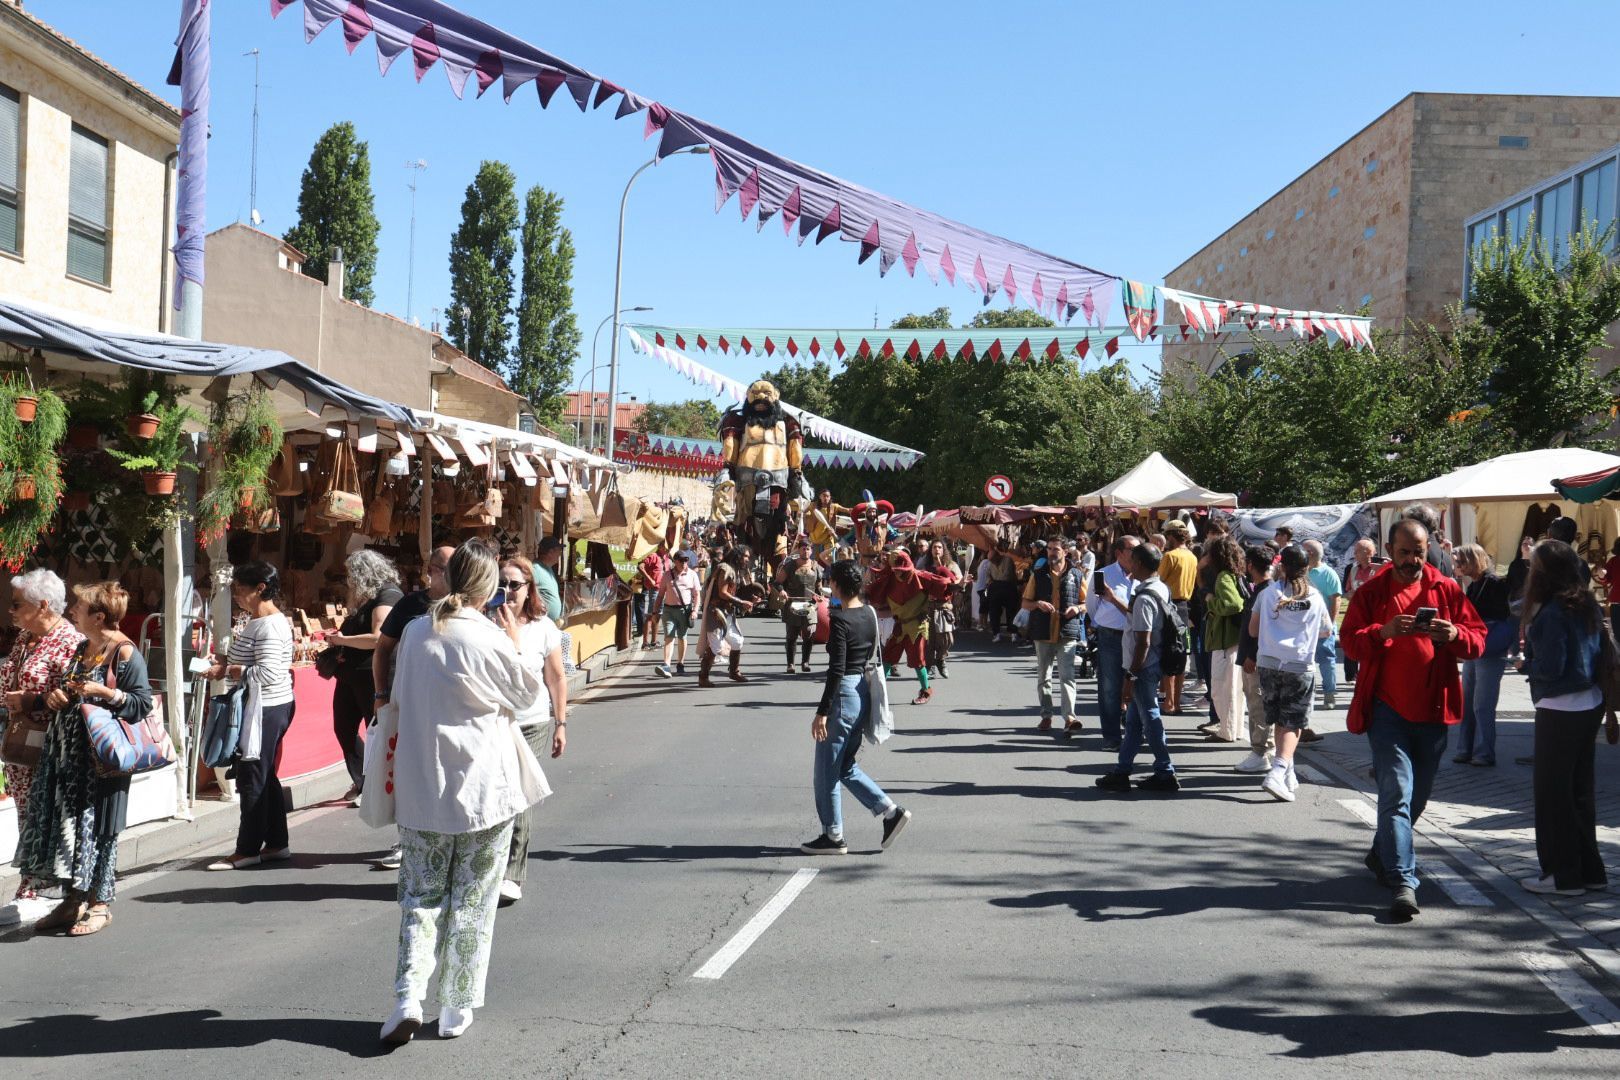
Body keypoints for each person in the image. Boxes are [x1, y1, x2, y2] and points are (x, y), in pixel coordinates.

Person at [381, 540, 547, 1044]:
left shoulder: (414, 632)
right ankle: (455, 1006)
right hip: (484, 790)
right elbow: (527, 694)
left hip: (422, 789)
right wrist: (511, 636)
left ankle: (407, 997)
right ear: (489, 588)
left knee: (419, 898)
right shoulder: (488, 637)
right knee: (473, 900)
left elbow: (398, 695)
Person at [1341, 519, 1485, 921]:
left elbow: (1479, 640)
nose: (1411, 560)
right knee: (1396, 794)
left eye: (1418, 552)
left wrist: (1454, 635)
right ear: (1391, 549)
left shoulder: (1447, 589)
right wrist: (1382, 631)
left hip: (1434, 711)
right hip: (1387, 712)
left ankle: (1379, 853)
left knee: (1416, 799)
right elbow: (1349, 642)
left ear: (1428, 550)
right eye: (1404, 552)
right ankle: (1403, 880)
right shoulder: (1372, 592)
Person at [11, 582, 152, 936]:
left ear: (98, 615)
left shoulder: (124, 652)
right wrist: (50, 699)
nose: (72, 609)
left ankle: (101, 903)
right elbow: (71, 695)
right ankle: (73, 901)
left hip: (102, 760)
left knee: (102, 830)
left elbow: (141, 705)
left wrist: (104, 692)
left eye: (79, 605)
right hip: (69, 759)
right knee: (73, 831)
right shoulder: (81, 649)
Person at [1518, 540, 1610, 897]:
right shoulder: (1585, 602)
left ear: (1545, 572)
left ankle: (1562, 875)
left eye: (1533, 567)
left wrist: (1529, 667)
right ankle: (1590, 871)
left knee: (1554, 794)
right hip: (1589, 704)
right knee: (1579, 793)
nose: (1530, 573)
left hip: (1561, 707)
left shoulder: (1554, 611)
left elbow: (1553, 666)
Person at [800, 559, 911, 855]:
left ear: (835, 584)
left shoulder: (840, 620)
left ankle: (833, 834)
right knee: (845, 765)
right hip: (862, 689)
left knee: (826, 770)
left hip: (844, 693)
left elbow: (835, 669)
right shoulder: (869, 613)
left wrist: (822, 712)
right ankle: (890, 811)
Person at [1, 570, 87, 927]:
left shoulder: (71, 641)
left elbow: (74, 694)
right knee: (27, 815)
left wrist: (30, 700)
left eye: (17, 604)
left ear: (43, 605)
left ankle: (50, 891)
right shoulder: (26, 637)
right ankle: (32, 885)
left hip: (55, 746)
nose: (11, 611)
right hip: (22, 746)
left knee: (48, 816)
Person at [205, 562, 297, 872]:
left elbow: (270, 672)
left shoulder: (269, 624)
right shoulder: (262, 621)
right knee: (264, 774)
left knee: (252, 776)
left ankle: (247, 849)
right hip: (266, 705)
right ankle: (275, 842)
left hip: (265, 707)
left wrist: (231, 670)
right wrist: (226, 664)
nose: (237, 597)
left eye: (240, 590)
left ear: (259, 588)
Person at [497, 556, 568, 905]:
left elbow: (555, 677)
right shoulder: (483, 622)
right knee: (497, 793)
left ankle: (512, 874)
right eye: (502, 583)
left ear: (529, 590)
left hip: (531, 722)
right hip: (493, 721)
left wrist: (561, 723)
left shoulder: (543, 628)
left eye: (514, 585)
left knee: (516, 792)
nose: (507, 591)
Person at [1096, 543, 1178, 792]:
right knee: (1133, 722)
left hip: (1143, 667)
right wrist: (1113, 599)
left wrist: (1130, 676)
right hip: (1151, 664)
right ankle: (1123, 771)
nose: (1129, 565)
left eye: (1132, 561)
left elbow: (1143, 640)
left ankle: (1165, 771)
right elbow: (1135, 617)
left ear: (1139, 564)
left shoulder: (1144, 597)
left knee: (1150, 718)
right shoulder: (1159, 588)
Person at [1251, 546, 1329, 803]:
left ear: (1281, 566)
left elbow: (1253, 630)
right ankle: (1278, 771)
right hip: (1298, 664)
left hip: (1269, 662)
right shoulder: (1315, 596)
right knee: (1292, 723)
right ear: (1307, 569)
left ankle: (1287, 773)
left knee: (1279, 721)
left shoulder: (1267, 593)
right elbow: (1327, 631)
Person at [327, 550, 402, 804]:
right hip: (350, 675)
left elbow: (377, 637)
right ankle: (363, 780)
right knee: (344, 728)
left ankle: (373, 785)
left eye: (351, 574)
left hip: (373, 675)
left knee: (376, 730)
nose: (348, 580)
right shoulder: (365, 599)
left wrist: (342, 640)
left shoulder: (387, 595)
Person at [866, 550, 954, 705]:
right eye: (896, 571)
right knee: (888, 656)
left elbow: (942, 583)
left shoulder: (920, 577)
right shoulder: (889, 579)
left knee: (917, 659)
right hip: (900, 625)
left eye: (902, 571)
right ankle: (878, 691)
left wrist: (956, 583)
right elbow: (871, 591)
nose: (899, 574)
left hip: (917, 625)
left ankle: (926, 690)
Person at [1454, 544, 1511, 768]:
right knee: (1468, 702)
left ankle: (1484, 752)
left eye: (1462, 562)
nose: (1458, 566)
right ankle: (1465, 749)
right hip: (1475, 645)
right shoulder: (1475, 584)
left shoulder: (1494, 583)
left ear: (1473, 560)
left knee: (1482, 704)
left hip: (1489, 647)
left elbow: (1501, 614)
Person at [1021, 538, 1086, 735]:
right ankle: (1046, 715)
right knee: (1044, 676)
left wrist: (1077, 608)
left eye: (1055, 549)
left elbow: (1087, 603)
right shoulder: (1038, 575)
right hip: (1043, 631)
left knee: (1067, 676)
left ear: (1065, 551)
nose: (1051, 552)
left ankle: (1069, 717)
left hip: (1067, 631)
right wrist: (1038, 604)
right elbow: (1025, 603)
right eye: (1049, 549)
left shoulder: (1076, 574)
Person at [1087, 535, 1140, 752]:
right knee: (1109, 687)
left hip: (1138, 637)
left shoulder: (1144, 574)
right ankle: (1111, 737)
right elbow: (1092, 606)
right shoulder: (1103, 574)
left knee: (1138, 685)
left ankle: (1135, 731)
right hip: (1110, 636)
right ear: (1119, 552)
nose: (1137, 554)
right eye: (1132, 549)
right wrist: (1101, 624)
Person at [1235, 544, 1279, 774]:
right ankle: (1261, 749)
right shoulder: (1263, 589)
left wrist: (1251, 655)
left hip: (1258, 658)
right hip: (1256, 656)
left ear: (1250, 565)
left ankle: (1261, 751)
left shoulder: (1266, 591)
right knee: (1255, 703)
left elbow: (1262, 629)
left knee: (1257, 705)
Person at [1204, 537, 1249, 744]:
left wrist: (1212, 602)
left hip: (1225, 639)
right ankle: (1234, 728)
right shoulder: (1236, 574)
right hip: (1236, 637)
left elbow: (1232, 605)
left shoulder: (1223, 576)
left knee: (1222, 688)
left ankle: (1227, 730)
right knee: (1234, 688)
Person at [698, 545, 758, 687]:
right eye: (745, 556)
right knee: (715, 646)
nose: (747, 560)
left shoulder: (734, 570)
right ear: (738, 556)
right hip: (716, 612)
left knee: (737, 641)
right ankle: (703, 677)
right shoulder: (725, 568)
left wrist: (751, 598)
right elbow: (722, 593)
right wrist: (741, 602)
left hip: (727, 612)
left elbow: (734, 592)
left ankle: (734, 671)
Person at [1158, 520, 1197, 715]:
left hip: (1169, 606)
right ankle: (1177, 702)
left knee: (1168, 654)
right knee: (1182, 653)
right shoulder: (1191, 556)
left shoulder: (1170, 556)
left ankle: (1169, 702)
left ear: (1171, 535)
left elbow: (1158, 581)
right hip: (1185, 608)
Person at [1303, 539, 1343, 713]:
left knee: (1326, 660)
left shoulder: (1329, 574)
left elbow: (1336, 599)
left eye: (1304, 551)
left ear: (1311, 553)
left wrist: (1331, 624)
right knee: (1305, 662)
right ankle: (1306, 694)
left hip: (1323, 626)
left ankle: (1329, 693)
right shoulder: (1301, 572)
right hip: (1304, 626)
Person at [775, 537, 824, 673]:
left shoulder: (816, 567)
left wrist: (819, 595)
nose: (806, 551)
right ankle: (790, 664)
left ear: (811, 550)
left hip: (810, 606)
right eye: (803, 549)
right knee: (792, 635)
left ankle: (805, 662)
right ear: (799, 550)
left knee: (809, 633)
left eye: (808, 549)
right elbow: (777, 583)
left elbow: (818, 586)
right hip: (793, 605)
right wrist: (782, 591)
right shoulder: (790, 566)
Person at [1341, 538, 1382, 684]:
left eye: (1357, 551)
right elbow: (1346, 592)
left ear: (1368, 552)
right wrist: (1350, 594)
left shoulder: (1380, 569)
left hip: (1374, 614)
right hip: (1356, 612)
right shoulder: (1352, 569)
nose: (1354, 554)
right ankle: (1351, 675)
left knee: (1372, 643)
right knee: (1352, 640)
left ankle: (1370, 675)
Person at [655, 550, 701, 678]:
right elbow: (660, 596)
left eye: (686, 560)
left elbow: (697, 595)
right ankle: (666, 665)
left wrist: (695, 611)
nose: (684, 563)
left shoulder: (692, 575)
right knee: (669, 636)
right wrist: (655, 611)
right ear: (675, 561)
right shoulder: (667, 575)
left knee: (682, 637)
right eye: (681, 560)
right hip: (668, 610)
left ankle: (680, 663)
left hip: (684, 610)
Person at [921, 540, 963, 679]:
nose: (937, 550)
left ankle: (941, 659)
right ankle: (930, 665)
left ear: (943, 549)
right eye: (934, 547)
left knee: (947, 639)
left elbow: (958, 581)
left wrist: (945, 572)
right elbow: (917, 582)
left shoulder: (951, 565)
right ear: (930, 550)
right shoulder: (924, 565)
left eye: (939, 547)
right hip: (927, 607)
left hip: (944, 607)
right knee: (929, 640)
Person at [1402, 503, 1455, 578]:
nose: (1403, 528)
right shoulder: (1443, 554)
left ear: (1416, 525)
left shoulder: (1421, 553)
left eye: (1406, 524)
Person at [984, 539, 1021, 642]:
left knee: (1012, 611)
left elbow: (1007, 576)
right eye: (990, 560)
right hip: (996, 588)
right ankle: (996, 633)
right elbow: (988, 576)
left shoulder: (1007, 560)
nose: (992, 561)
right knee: (994, 612)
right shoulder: (991, 563)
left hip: (1008, 587)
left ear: (998, 556)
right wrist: (990, 582)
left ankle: (1013, 633)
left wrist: (993, 582)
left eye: (993, 559)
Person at [636, 544, 669, 650]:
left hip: (662, 590)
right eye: (665, 547)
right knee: (650, 615)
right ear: (660, 546)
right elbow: (640, 567)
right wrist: (650, 579)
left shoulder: (666, 558)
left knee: (657, 615)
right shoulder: (653, 556)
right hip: (654, 590)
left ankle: (654, 641)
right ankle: (645, 643)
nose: (666, 549)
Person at [532, 537, 565, 623]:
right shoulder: (535, 569)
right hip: (540, 624)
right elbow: (527, 594)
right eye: (559, 550)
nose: (560, 554)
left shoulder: (548, 568)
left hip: (550, 624)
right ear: (550, 552)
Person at [807, 490, 846, 559]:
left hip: (827, 540)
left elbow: (847, 510)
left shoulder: (834, 506)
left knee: (830, 559)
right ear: (820, 496)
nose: (826, 498)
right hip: (814, 540)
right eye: (824, 495)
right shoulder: (812, 505)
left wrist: (863, 509)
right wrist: (801, 514)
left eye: (827, 496)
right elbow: (802, 512)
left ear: (830, 497)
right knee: (814, 561)